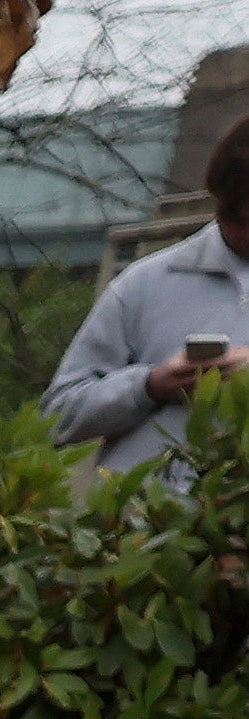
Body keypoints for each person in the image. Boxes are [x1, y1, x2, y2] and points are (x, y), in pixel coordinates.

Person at [45, 120, 249, 480]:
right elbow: (56, 417)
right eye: (236, 215)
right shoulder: (144, 284)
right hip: (149, 528)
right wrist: (149, 387)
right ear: (216, 201)